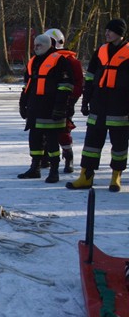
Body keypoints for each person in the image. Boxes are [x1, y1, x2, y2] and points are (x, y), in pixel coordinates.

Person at [68, 18, 128, 192]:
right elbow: (90, 77)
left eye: (111, 31)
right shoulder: (100, 51)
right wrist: (86, 101)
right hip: (99, 104)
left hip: (120, 106)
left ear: (120, 34)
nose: (106, 33)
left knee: (119, 146)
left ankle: (116, 177)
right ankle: (86, 176)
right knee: (91, 145)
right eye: (106, 30)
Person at [17, 33, 74, 183]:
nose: (35, 48)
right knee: (34, 139)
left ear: (48, 45)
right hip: (35, 107)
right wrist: (23, 104)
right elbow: (26, 85)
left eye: (39, 45)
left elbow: (66, 86)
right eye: (34, 45)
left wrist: (60, 107)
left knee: (52, 141)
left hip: (52, 108)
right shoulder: (33, 62)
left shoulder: (59, 61)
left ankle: (54, 171)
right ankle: (35, 167)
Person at [42, 28, 83, 173]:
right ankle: (45, 157)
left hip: (64, 101)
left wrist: (70, 99)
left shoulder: (71, 61)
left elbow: (78, 83)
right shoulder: (42, 59)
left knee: (63, 130)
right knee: (43, 130)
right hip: (45, 101)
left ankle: (68, 156)